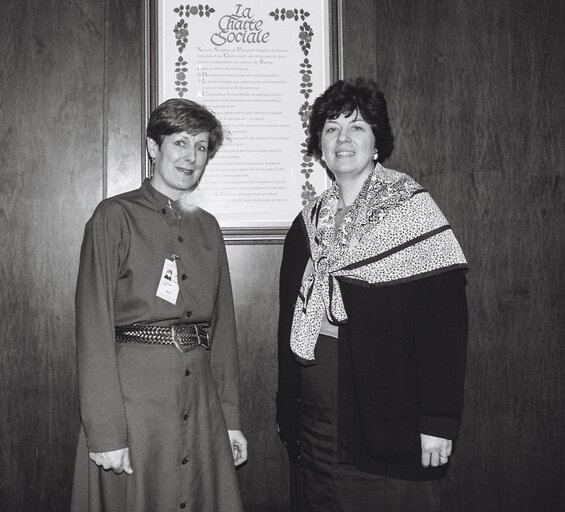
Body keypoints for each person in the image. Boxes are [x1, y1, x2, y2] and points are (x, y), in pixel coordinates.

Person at [276, 78, 469, 511]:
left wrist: (438, 420)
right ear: (319, 147)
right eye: (331, 128)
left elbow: (445, 326)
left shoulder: (412, 212)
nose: (343, 138)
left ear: (377, 141)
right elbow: (284, 328)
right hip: (316, 417)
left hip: (386, 413)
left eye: (357, 127)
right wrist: (288, 415)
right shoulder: (305, 225)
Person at [70, 98, 247, 512]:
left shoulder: (209, 228)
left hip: (201, 404)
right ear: (154, 147)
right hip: (135, 407)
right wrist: (106, 433)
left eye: (201, 147)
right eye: (180, 142)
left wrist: (231, 419)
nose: (191, 156)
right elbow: (92, 327)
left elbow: (223, 332)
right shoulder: (113, 217)